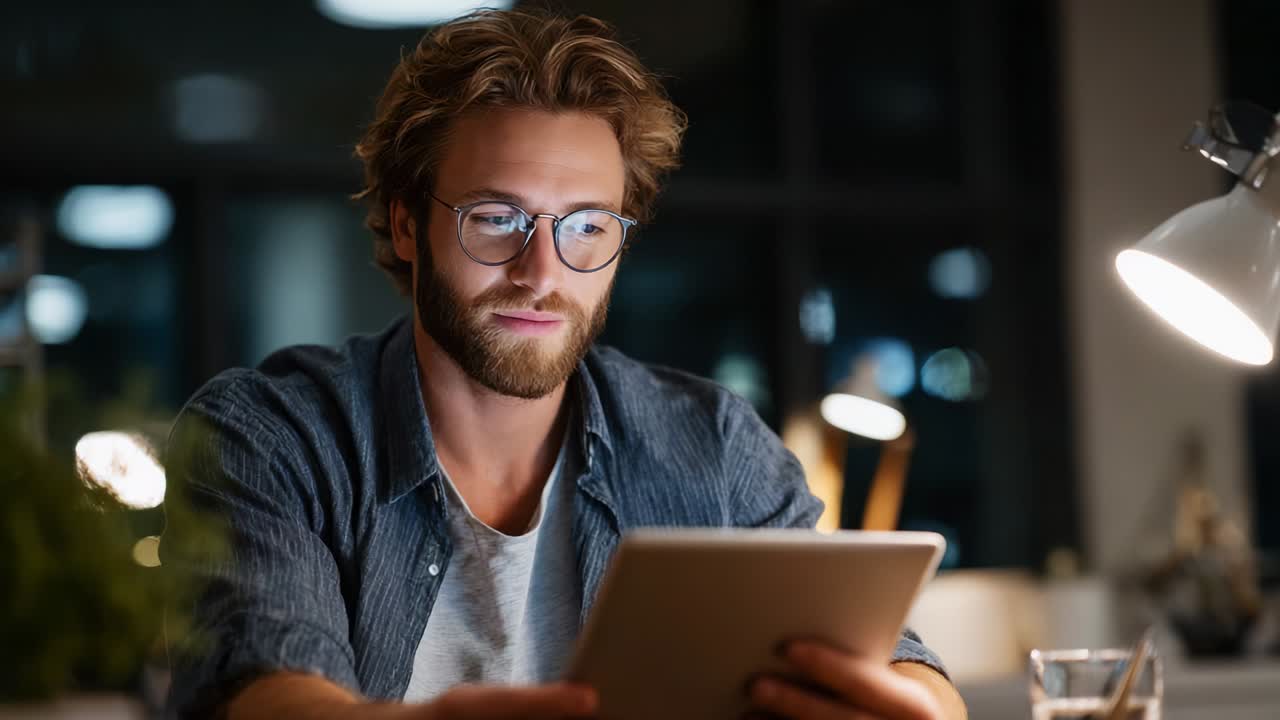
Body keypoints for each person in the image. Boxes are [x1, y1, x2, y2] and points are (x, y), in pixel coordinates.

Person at [163, 9, 967, 720]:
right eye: (497, 218)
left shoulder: (712, 446)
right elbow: (262, 689)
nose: (542, 272)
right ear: (408, 226)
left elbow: (896, 659)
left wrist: (919, 701)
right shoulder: (271, 436)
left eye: (586, 227)